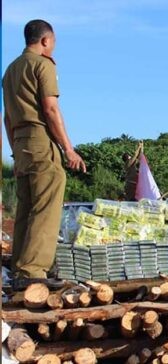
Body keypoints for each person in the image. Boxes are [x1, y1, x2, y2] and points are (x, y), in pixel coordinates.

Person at [3, 19, 86, 289]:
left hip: (21, 143)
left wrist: (15, 150)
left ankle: (20, 268)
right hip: (41, 140)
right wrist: (68, 148)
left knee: (26, 208)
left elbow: (7, 119)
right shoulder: (42, 65)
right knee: (46, 204)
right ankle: (33, 271)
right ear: (45, 40)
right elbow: (50, 109)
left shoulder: (11, 70)